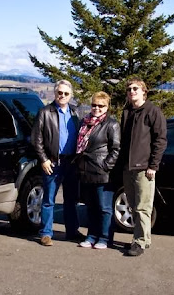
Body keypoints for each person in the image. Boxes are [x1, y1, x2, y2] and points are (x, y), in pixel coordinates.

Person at [117, 77, 166, 256]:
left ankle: (140, 242)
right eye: (129, 89)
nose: (131, 91)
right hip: (127, 167)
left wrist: (153, 165)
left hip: (144, 168)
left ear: (143, 91)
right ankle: (140, 239)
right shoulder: (127, 112)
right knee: (132, 205)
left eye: (135, 88)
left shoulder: (153, 112)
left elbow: (160, 140)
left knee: (143, 207)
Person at [30, 80, 81, 246]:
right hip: (52, 162)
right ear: (55, 93)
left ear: (70, 95)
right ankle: (46, 233)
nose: (63, 96)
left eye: (66, 93)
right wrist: (43, 159)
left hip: (71, 162)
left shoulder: (75, 113)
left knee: (71, 200)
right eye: (60, 93)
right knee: (49, 200)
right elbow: (36, 139)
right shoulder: (45, 112)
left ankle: (72, 231)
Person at [75, 91, 120, 250]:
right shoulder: (84, 122)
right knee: (91, 206)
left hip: (102, 172)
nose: (97, 108)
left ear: (107, 107)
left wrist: (105, 166)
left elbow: (116, 149)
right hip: (86, 170)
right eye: (94, 105)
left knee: (104, 208)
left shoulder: (112, 124)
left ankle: (105, 237)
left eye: (101, 105)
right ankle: (91, 235)